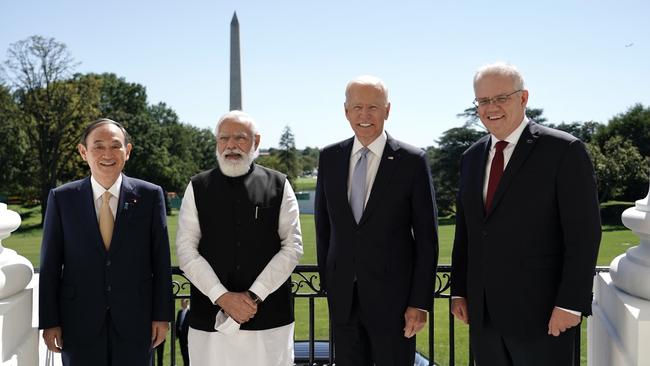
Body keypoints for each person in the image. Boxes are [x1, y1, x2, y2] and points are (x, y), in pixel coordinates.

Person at [450, 62, 601, 366]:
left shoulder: (563, 150)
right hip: (484, 318)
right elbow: (467, 230)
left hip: (544, 317)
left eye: (501, 98)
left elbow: (584, 234)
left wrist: (570, 305)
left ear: (523, 98)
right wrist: (459, 291)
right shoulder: (471, 157)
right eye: (483, 101)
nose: (491, 107)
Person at [315, 75, 439, 365]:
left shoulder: (412, 160)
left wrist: (419, 302)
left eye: (373, 107)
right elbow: (324, 228)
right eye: (357, 107)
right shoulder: (329, 157)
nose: (364, 115)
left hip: (395, 304)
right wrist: (329, 282)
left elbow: (427, 239)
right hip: (344, 301)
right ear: (346, 111)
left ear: (387, 110)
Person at [39, 118, 173, 365]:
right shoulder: (62, 199)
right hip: (77, 323)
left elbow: (161, 261)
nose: (107, 154)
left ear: (128, 151)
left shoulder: (150, 195)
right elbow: (49, 265)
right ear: (83, 152)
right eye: (98, 146)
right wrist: (49, 321)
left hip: (137, 321)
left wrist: (162, 317)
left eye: (115, 146)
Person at [176, 110, 303, 366]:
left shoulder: (279, 185)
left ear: (256, 141)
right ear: (216, 143)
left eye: (240, 138)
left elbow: (293, 246)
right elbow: (186, 250)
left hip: (269, 319)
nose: (231, 145)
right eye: (224, 138)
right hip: (210, 320)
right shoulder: (198, 187)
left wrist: (253, 296)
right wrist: (222, 297)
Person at [176, 298, 191, 366]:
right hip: (181, 338)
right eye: (181, 302)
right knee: (183, 354)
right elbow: (177, 324)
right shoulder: (180, 312)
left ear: (187, 302)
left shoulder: (190, 312)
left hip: (187, 338)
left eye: (183, 301)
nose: (182, 303)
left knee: (188, 356)